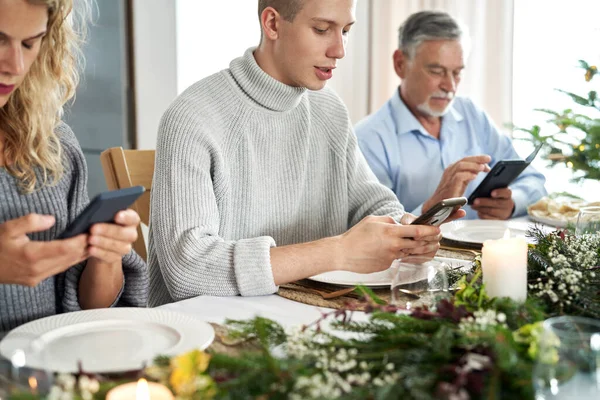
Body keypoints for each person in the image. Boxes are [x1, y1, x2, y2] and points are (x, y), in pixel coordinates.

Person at [148, 0, 461, 306]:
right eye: (322, 29)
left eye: (346, 31)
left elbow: (372, 202)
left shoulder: (329, 108)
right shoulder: (193, 117)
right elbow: (187, 271)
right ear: (272, 24)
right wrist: (337, 252)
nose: (339, 50)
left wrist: (402, 233)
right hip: (208, 334)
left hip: (310, 316)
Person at [0, 0, 148, 331]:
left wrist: (105, 256)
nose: (15, 64)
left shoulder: (53, 145)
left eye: (29, 43)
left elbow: (90, 308)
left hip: (51, 368)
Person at [355, 11, 547, 220]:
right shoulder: (368, 140)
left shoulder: (473, 116)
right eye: (436, 71)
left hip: (487, 249)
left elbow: (535, 182)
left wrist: (511, 202)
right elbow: (375, 235)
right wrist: (433, 207)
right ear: (400, 64)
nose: (450, 86)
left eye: (457, 72)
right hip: (426, 253)